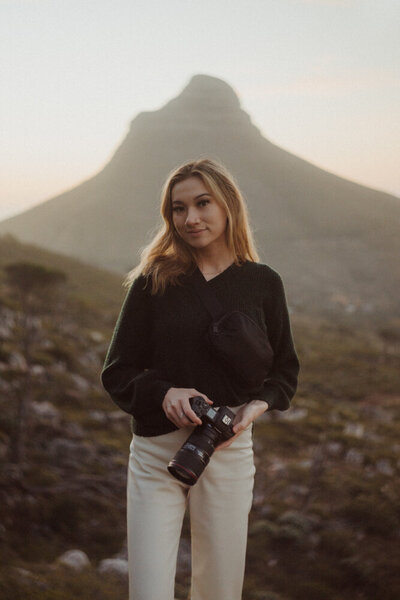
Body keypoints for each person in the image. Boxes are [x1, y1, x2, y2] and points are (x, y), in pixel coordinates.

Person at [100, 158, 300, 600]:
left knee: (219, 590)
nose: (190, 218)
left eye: (202, 203)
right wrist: (164, 392)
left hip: (227, 451)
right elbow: (117, 372)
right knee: (148, 591)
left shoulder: (263, 283)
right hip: (156, 453)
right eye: (178, 208)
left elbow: (285, 371)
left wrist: (257, 406)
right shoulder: (153, 281)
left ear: (228, 204)